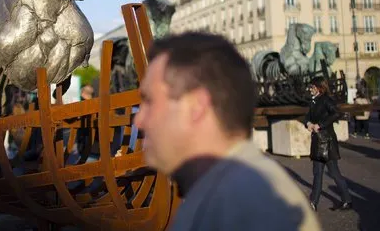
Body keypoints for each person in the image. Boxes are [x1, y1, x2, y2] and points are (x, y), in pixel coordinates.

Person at [133, 32, 320, 231]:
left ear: (196, 106)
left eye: (150, 101)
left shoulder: (242, 207)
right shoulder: (229, 192)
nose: (139, 120)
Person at [305, 76, 352, 211]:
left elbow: (336, 113)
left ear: (320, 88)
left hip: (328, 141)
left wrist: (320, 125)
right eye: (310, 86)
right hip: (317, 141)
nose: (310, 89)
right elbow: (307, 116)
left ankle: (347, 200)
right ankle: (313, 202)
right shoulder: (313, 101)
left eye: (312, 87)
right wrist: (307, 123)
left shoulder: (326, 100)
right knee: (317, 173)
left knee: (334, 173)